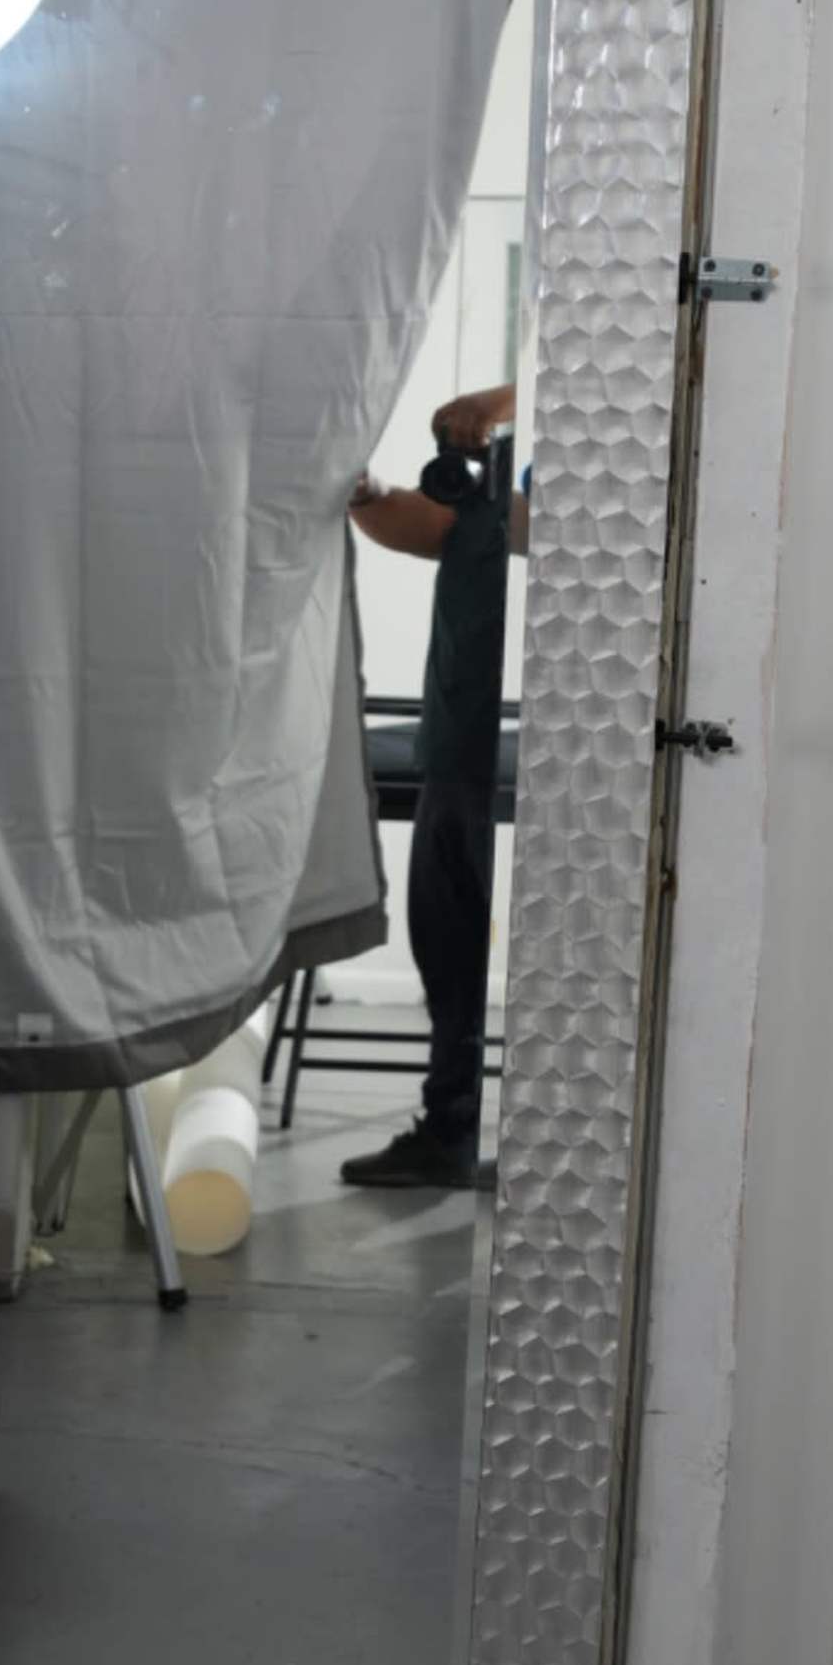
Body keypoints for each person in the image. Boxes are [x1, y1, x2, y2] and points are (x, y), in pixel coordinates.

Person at [341, 383, 526, 1188]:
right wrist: (369, 490)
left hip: (543, 747)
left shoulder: (583, 441)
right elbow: (429, 523)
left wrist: (501, 407)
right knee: (445, 940)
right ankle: (448, 1127)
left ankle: (543, 1140)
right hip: (458, 738)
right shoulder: (486, 486)